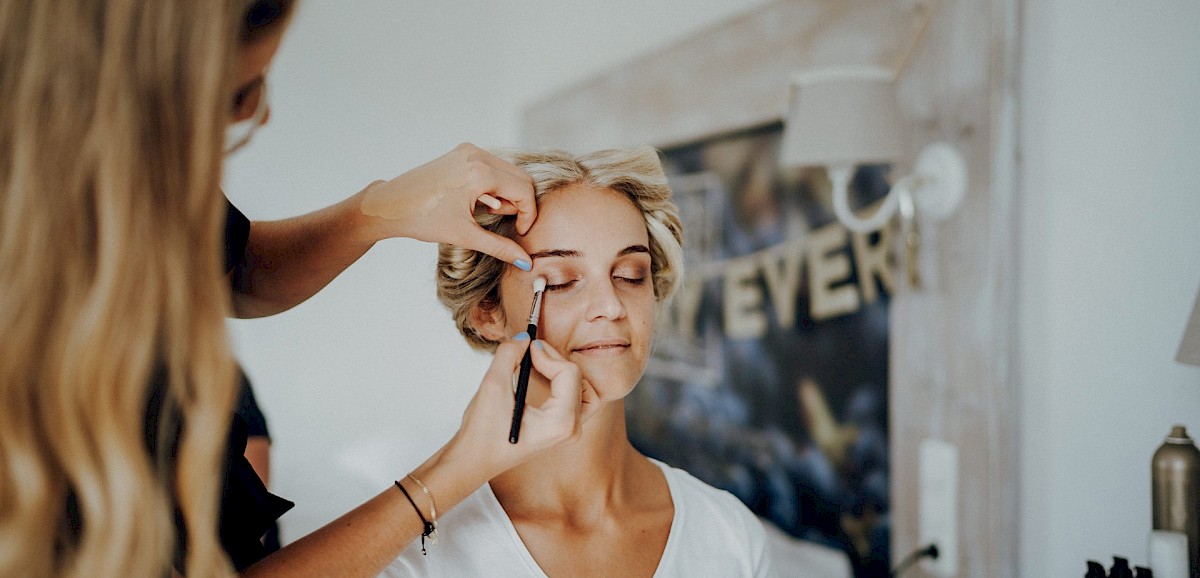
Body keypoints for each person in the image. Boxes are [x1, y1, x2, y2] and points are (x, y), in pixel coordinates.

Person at [0, 1, 591, 577]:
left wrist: (376, 210)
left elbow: (237, 274)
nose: (261, 118)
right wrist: (453, 470)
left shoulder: (133, 189)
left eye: (632, 274)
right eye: (236, 97)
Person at [382, 147, 774, 577]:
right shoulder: (413, 552)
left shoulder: (729, 535)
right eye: (562, 281)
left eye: (629, 275)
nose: (610, 306)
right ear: (487, 311)